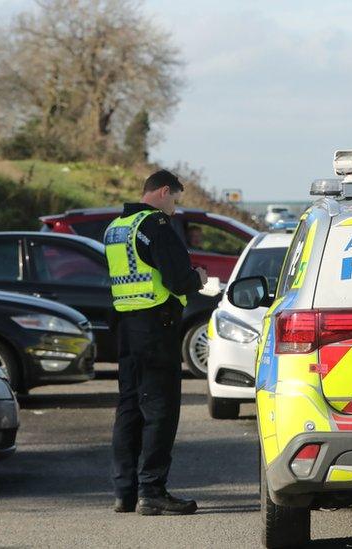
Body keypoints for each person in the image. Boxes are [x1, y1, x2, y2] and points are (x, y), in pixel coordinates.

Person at [104, 169, 207, 516]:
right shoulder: (156, 225)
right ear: (164, 192)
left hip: (126, 328)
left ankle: (125, 492)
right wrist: (199, 278)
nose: (176, 209)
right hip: (155, 327)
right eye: (175, 200)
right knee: (161, 410)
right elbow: (178, 280)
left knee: (129, 408)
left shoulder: (116, 227)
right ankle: (152, 491)